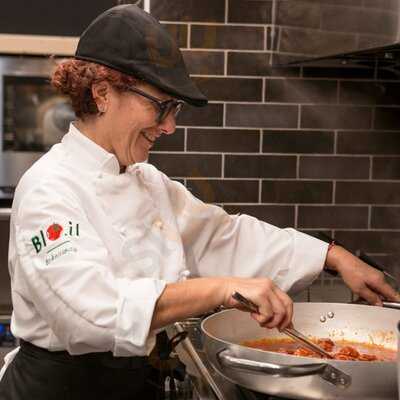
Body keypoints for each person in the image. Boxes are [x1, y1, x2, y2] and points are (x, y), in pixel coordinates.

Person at [0, 4, 398, 400]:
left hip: (131, 384)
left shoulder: (148, 182)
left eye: (173, 108)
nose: (170, 126)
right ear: (102, 93)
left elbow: (225, 236)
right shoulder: (50, 189)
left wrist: (332, 256)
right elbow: (89, 313)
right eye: (161, 106)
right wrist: (221, 289)